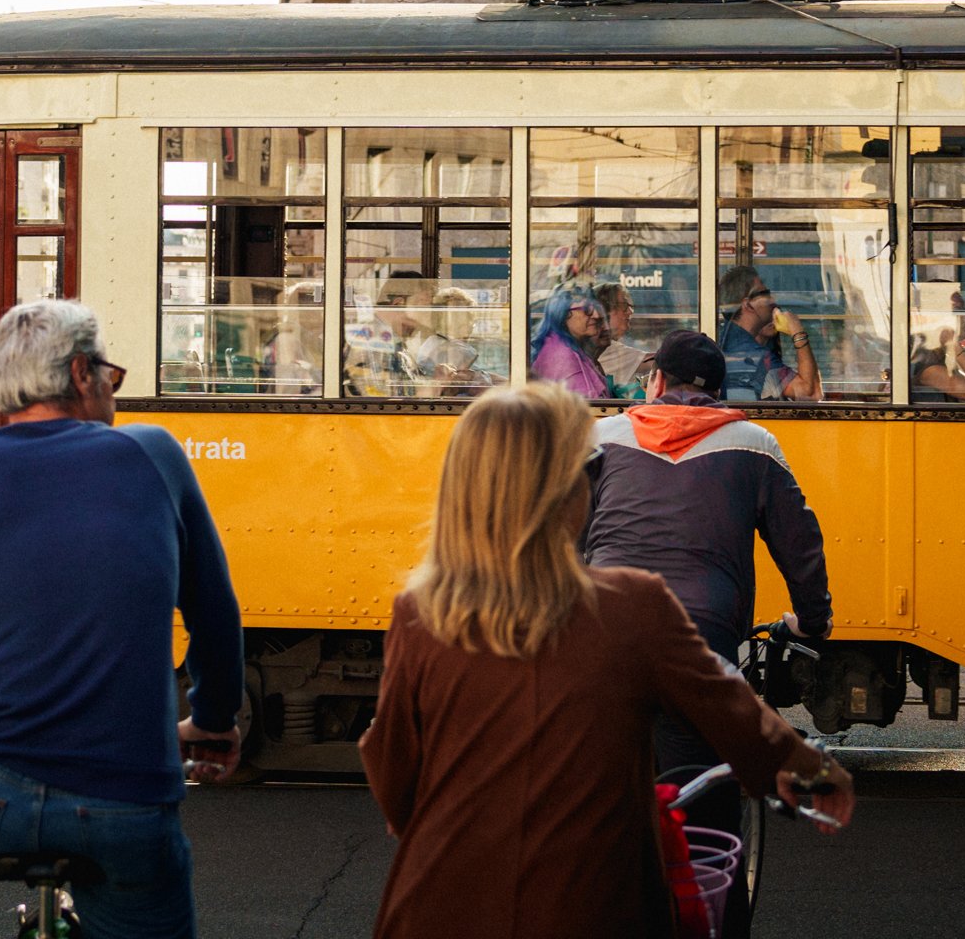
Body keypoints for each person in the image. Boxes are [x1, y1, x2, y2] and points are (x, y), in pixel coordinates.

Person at [360, 383, 852, 939]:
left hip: (435, 907)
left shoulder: (419, 614)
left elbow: (393, 767)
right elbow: (736, 716)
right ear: (563, 489)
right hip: (589, 907)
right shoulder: (632, 605)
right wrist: (813, 769)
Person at [0, 298, 245, 939]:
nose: (113, 394)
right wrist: (211, 722)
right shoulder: (154, 454)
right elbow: (214, 611)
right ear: (78, 375)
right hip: (127, 803)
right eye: (109, 377)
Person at [582, 330, 836, 937]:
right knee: (704, 804)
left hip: (599, 638)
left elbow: (562, 535)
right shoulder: (755, 444)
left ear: (658, 382)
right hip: (698, 645)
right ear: (719, 392)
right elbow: (800, 547)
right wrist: (812, 623)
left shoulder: (598, 439)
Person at [716, 265, 822, 402]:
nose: (773, 301)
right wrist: (798, 332)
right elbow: (810, 393)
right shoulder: (753, 356)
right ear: (748, 305)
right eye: (765, 294)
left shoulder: (726, 341)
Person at [529, 289, 611, 398]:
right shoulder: (563, 358)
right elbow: (584, 408)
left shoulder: (556, 344)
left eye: (594, 308)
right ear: (564, 314)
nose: (596, 316)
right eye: (586, 309)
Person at [592, 282, 650, 394]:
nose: (629, 312)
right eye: (623, 306)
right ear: (604, 311)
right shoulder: (607, 350)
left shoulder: (607, 347)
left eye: (630, 307)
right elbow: (657, 362)